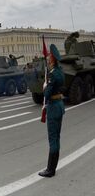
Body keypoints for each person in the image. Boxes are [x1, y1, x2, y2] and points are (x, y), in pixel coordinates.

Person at [39, 44, 65, 178]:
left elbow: (47, 93)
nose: (48, 58)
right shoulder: (60, 71)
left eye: (50, 56)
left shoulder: (52, 74)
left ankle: (50, 169)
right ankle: (53, 166)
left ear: (53, 59)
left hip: (53, 107)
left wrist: (44, 86)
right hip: (60, 105)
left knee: (53, 138)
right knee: (57, 137)